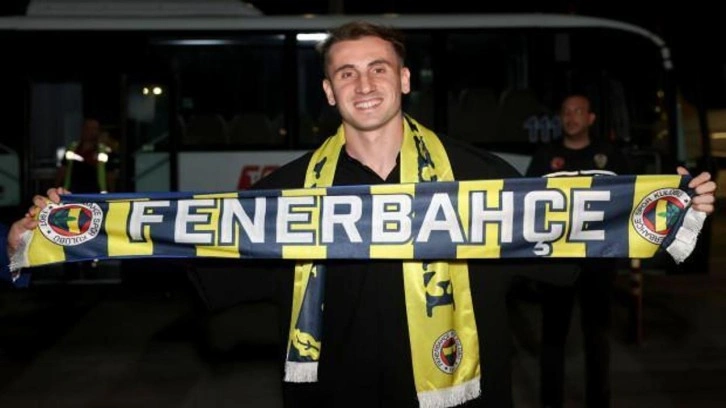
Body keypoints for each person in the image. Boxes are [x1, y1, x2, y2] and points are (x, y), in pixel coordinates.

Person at [4, 22, 717, 408]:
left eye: (378, 68)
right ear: (329, 91)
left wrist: (670, 209)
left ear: (404, 79)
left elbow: (571, 237)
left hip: (459, 398)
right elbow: (187, 251)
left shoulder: (479, 176)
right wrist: (62, 231)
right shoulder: (288, 191)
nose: (364, 83)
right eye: (346, 72)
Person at [525, 93, 630, 407]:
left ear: (591, 118)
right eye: (566, 112)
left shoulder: (609, 156)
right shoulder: (546, 157)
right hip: (557, 265)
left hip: (599, 264)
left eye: (578, 111)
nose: (571, 117)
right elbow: (525, 204)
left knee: (597, 338)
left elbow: (631, 198)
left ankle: (599, 401)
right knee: (553, 338)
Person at [55, 117, 120, 194]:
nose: (90, 131)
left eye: (94, 128)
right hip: (73, 193)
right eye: (87, 128)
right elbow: (63, 169)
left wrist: (111, 193)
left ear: (98, 131)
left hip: (96, 194)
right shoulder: (72, 148)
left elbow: (110, 175)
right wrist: (56, 187)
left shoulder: (105, 151)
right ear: (82, 129)